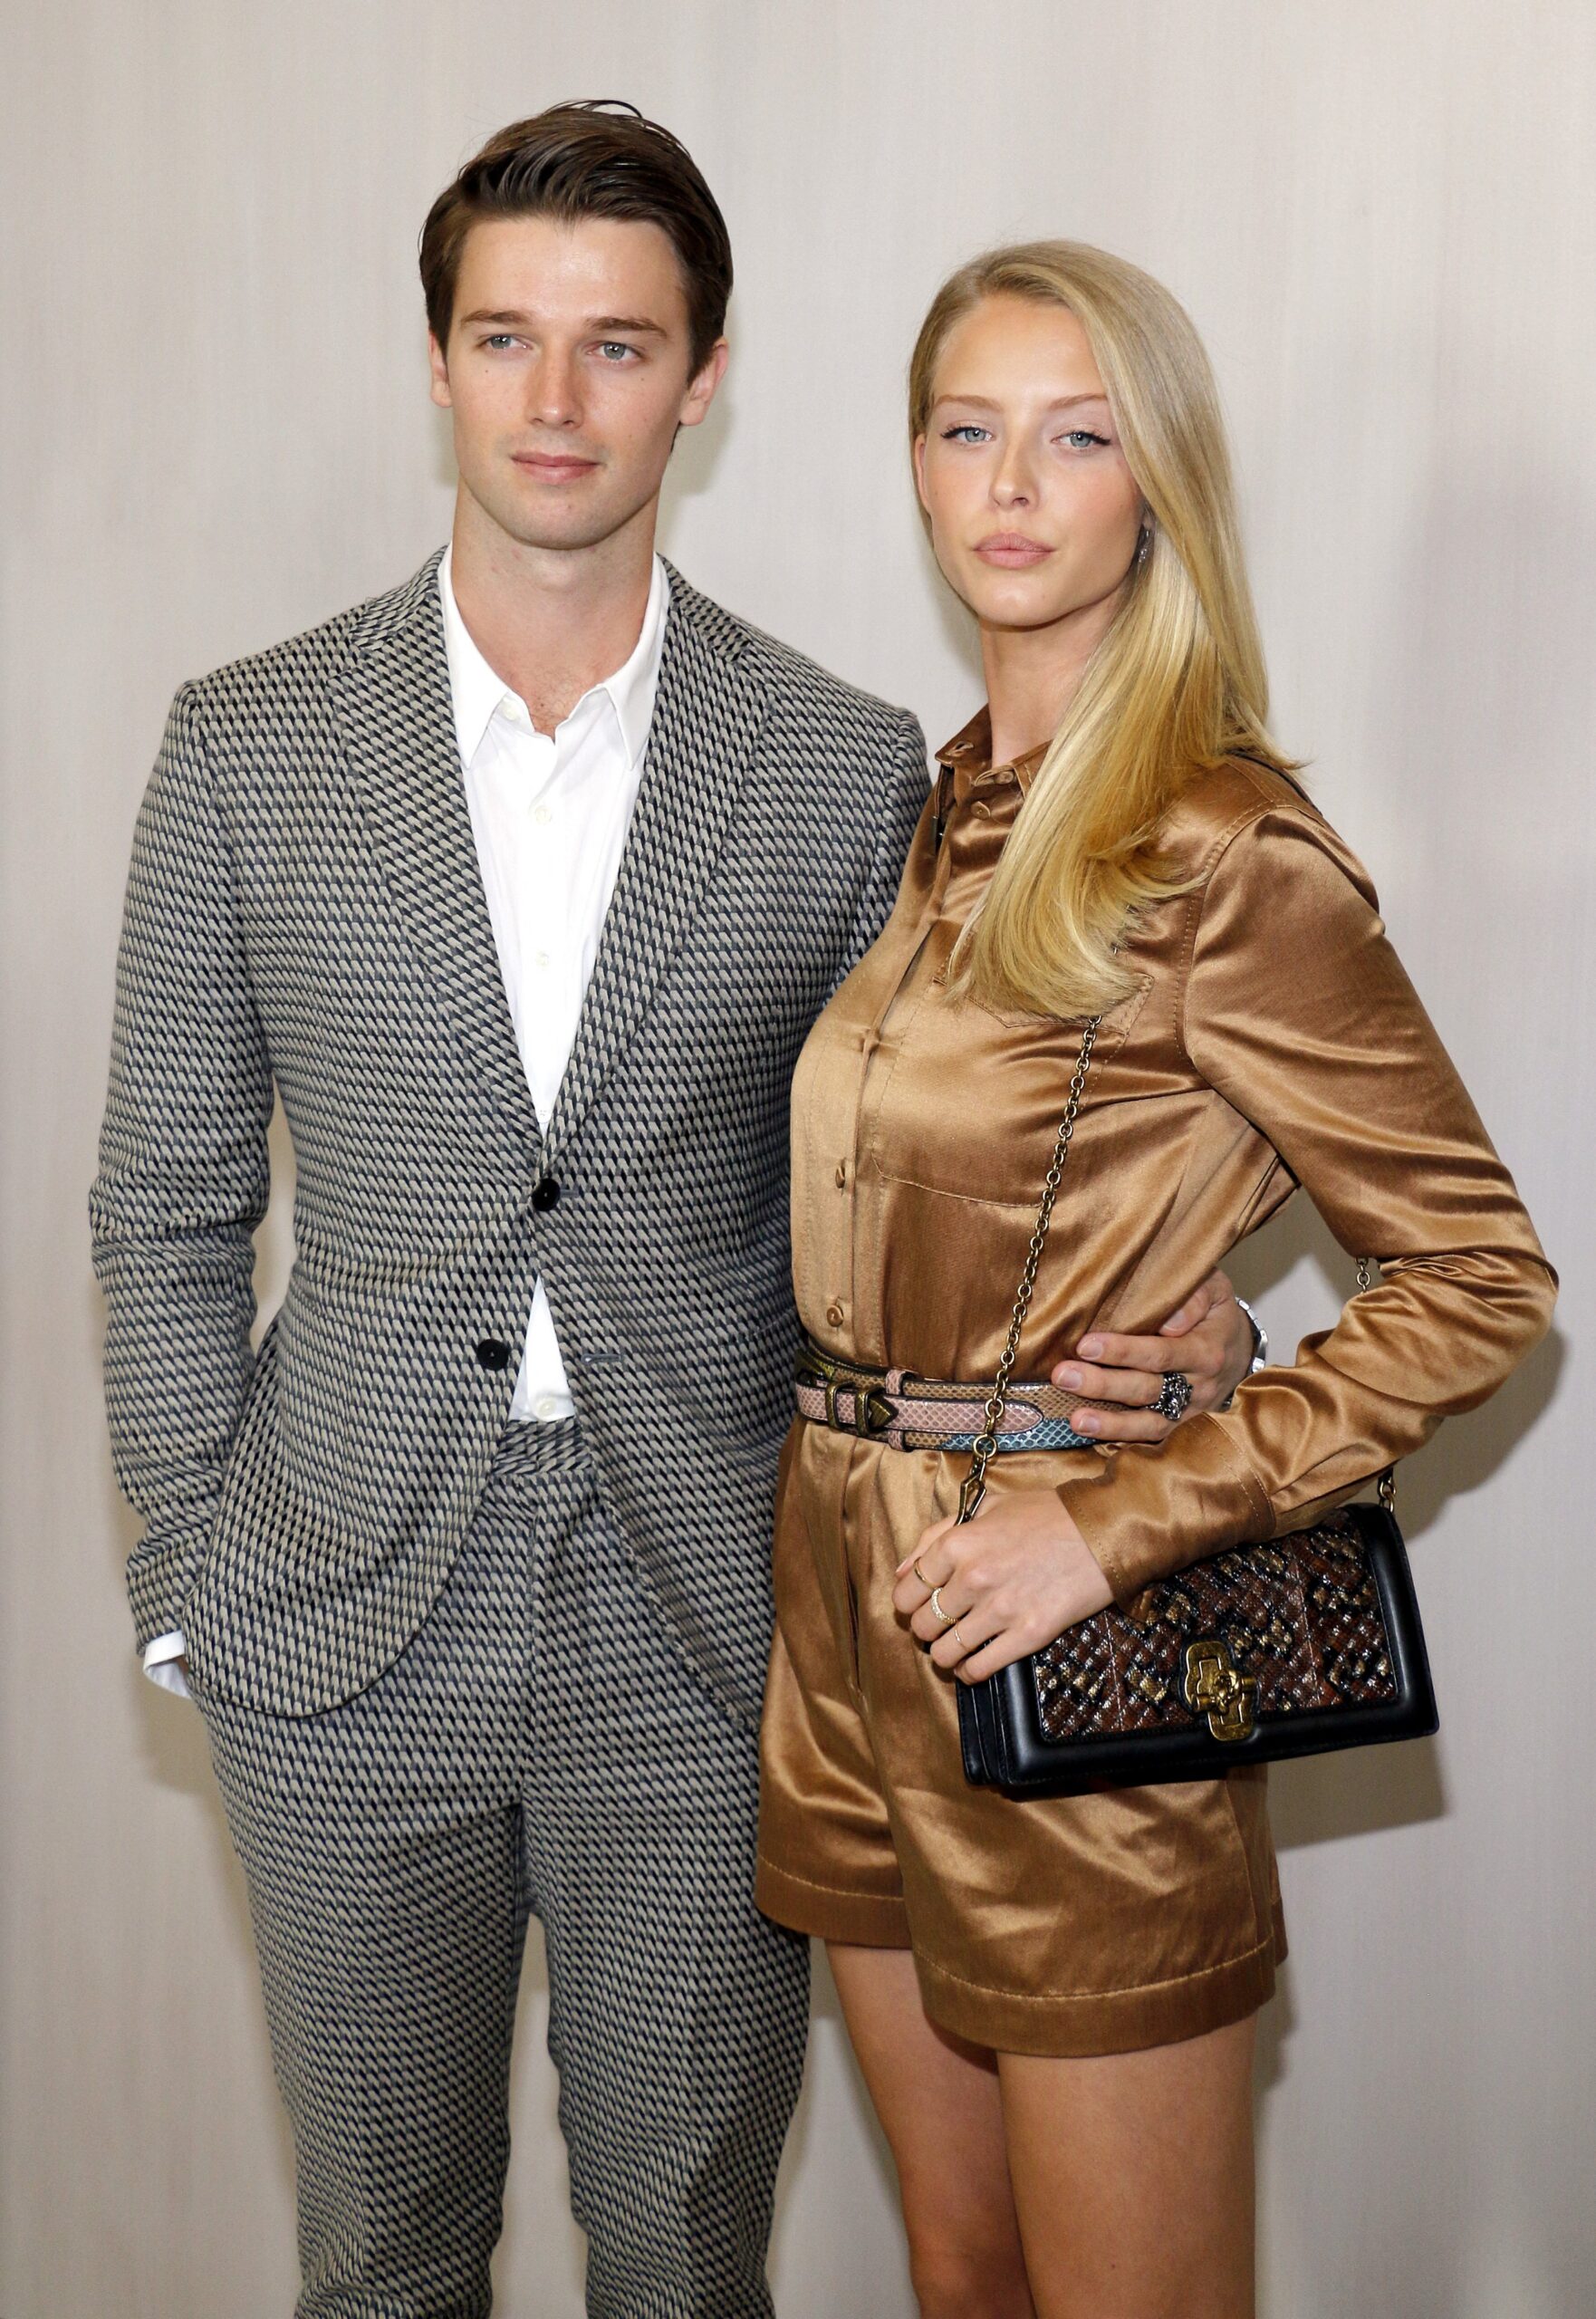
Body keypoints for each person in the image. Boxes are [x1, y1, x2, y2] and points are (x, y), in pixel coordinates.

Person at [90, 117, 1259, 2318]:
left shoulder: (841, 766)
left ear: (700, 376)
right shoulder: (244, 746)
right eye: (506, 340)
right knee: (380, 2259)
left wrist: (1184, 1335)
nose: (556, 403)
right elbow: (161, 1197)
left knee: (687, 2265)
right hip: (336, 1624)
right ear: (432, 363)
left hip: (715, 1622)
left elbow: (951, 1157)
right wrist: (187, 1573)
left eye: (614, 348)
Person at [755, 239, 1557, 2319]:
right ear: (916, 477)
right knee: (959, 2263)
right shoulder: (932, 815)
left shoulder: (1225, 851)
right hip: (844, 1616)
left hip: (1068, 1633)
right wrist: (1186, 1324)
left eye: (1075, 433)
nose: (1011, 481)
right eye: (966, 427)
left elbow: (1476, 1275)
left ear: (1153, 488)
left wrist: (1116, 1512)